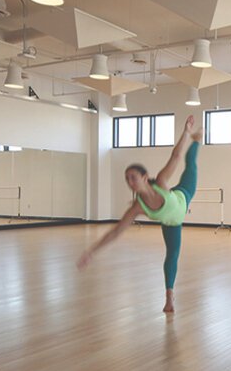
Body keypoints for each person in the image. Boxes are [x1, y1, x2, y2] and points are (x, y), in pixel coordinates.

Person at [77, 114, 201, 313]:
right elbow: (116, 232)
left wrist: (186, 132)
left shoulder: (160, 182)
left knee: (190, 162)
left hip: (183, 195)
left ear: (144, 177)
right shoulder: (138, 207)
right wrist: (91, 251)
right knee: (172, 255)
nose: (130, 182)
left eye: (133, 177)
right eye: (127, 179)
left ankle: (198, 139)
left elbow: (175, 156)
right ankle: (169, 297)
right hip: (172, 222)